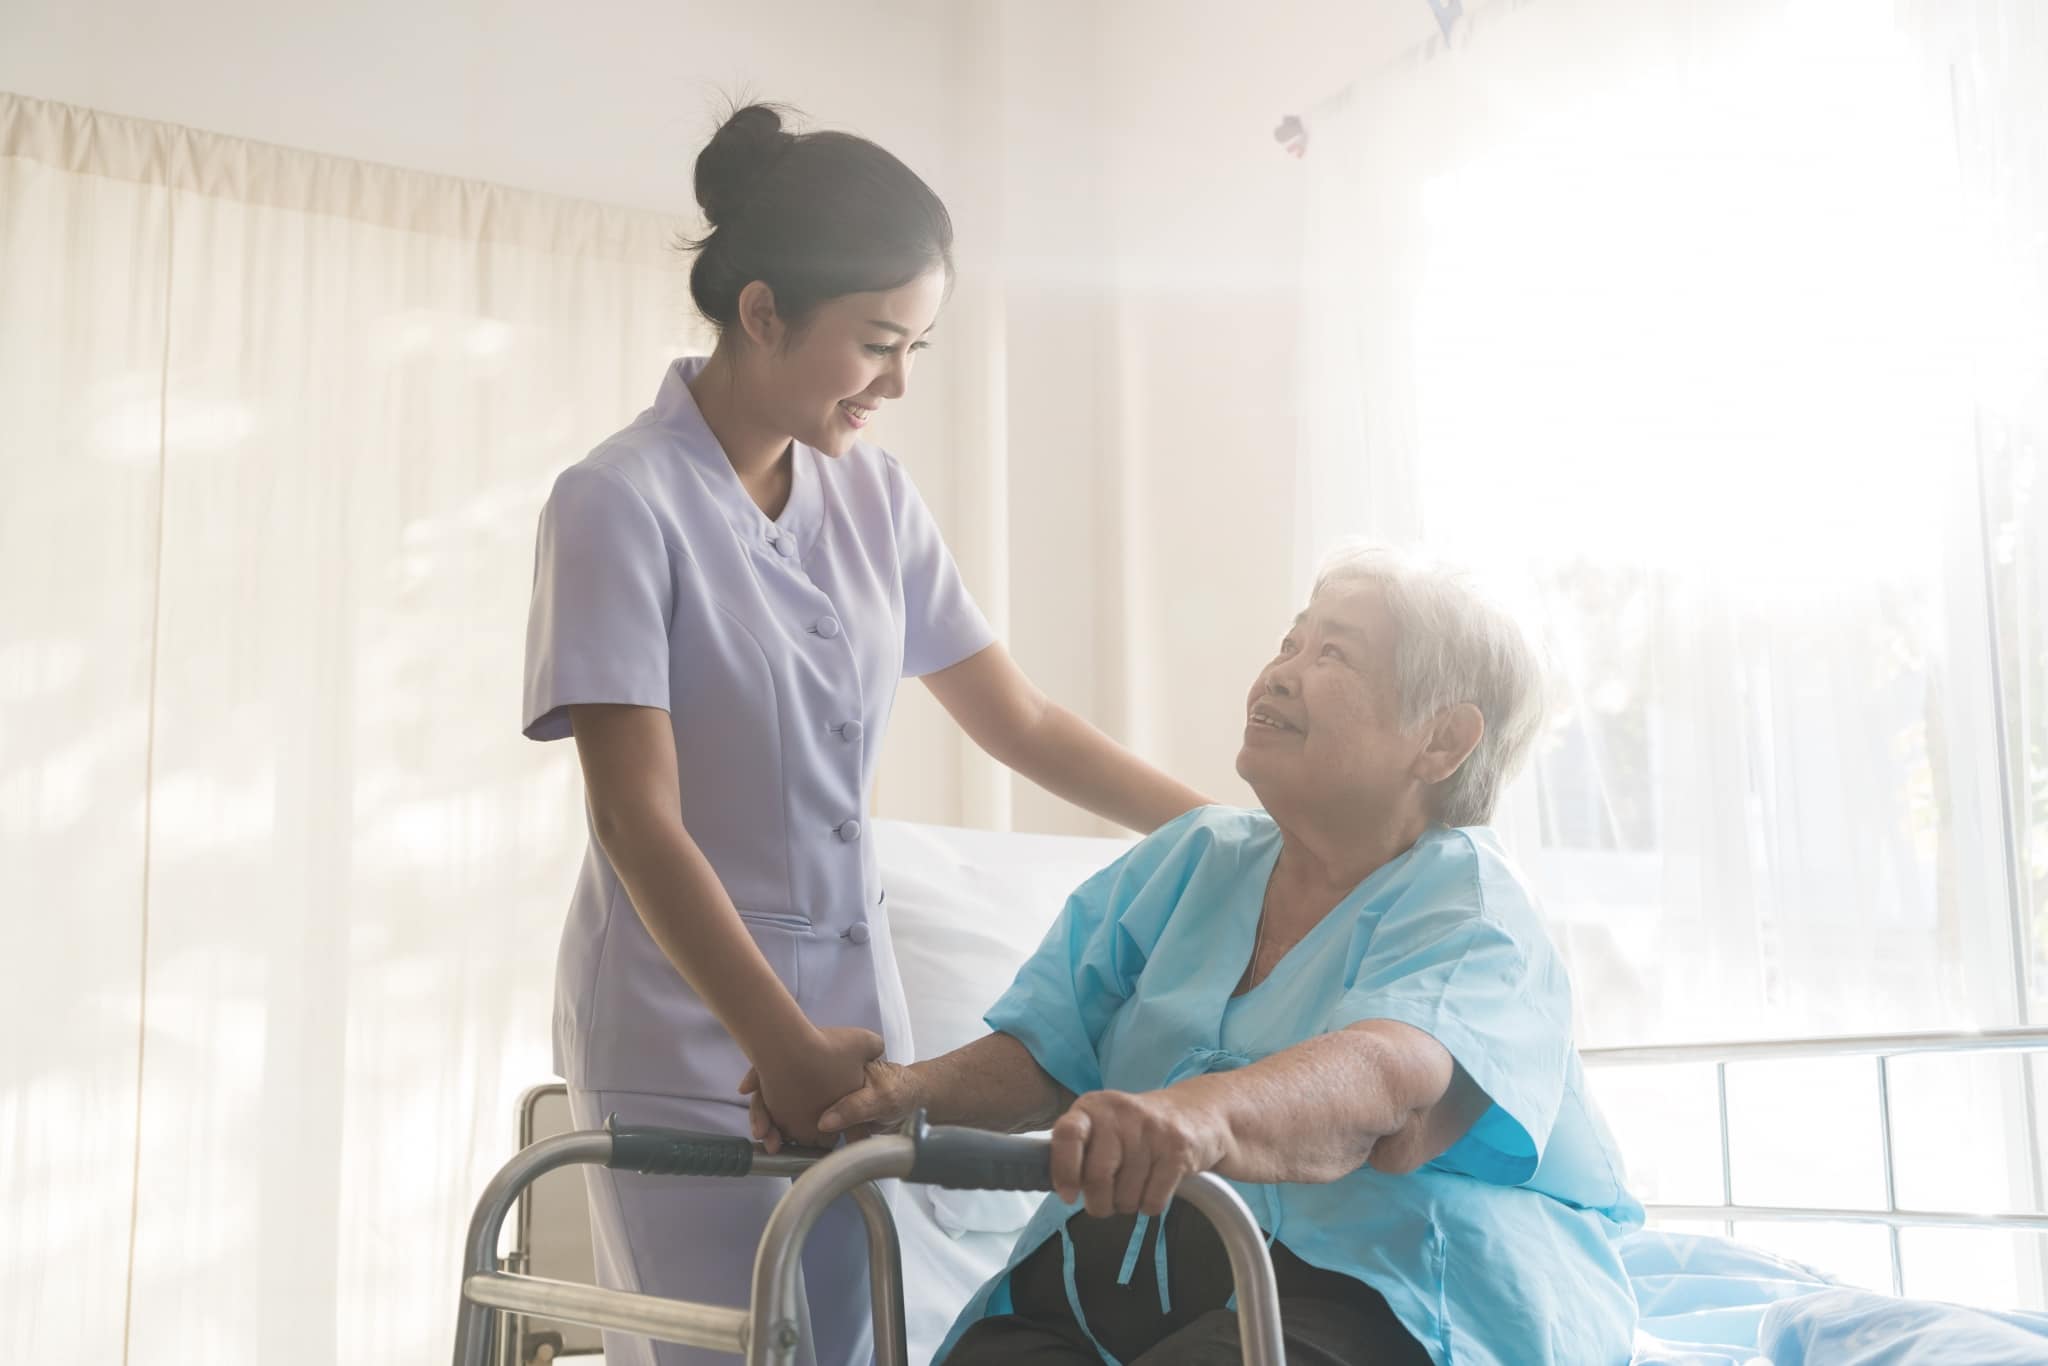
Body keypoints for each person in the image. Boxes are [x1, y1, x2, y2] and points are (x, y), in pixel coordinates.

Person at [520, 103, 1210, 1366]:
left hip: (852, 1021)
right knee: (724, 1350)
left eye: (917, 346)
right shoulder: (615, 504)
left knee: (853, 1342)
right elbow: (635, 819)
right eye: (877, 343)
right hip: (689, 1019)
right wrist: (774, 1045)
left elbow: (1020, 719)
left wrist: (1226, 835)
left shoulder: (871, 493)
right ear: (766, 312)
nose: (896, 384)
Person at [811, 546, 1644, 1365]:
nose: (1280, 672)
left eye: (1333, 654)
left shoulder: (1473, 906)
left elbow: (1390, 1078)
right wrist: (903, 1094)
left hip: (1391, 1289)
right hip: (1120, 1276)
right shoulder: (1192, 860)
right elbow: (1049, 1053)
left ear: (1442, 740)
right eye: (1289, 642)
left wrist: (1199, 1112)